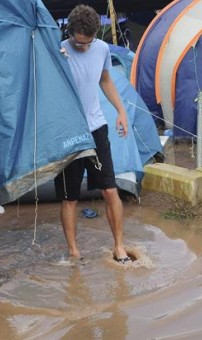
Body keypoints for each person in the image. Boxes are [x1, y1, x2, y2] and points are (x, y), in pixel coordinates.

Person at [54, 4, 131, 263]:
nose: (84, 47)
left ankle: (119, 246)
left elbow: (106, 80)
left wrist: (121, 111)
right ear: (71, 32)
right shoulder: (59, 50)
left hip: (96, 128)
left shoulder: (102, 48)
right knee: (70, 197)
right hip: (68, 133)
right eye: (79, 43)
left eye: (88, 43)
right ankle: (74, 252)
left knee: (110, 190)